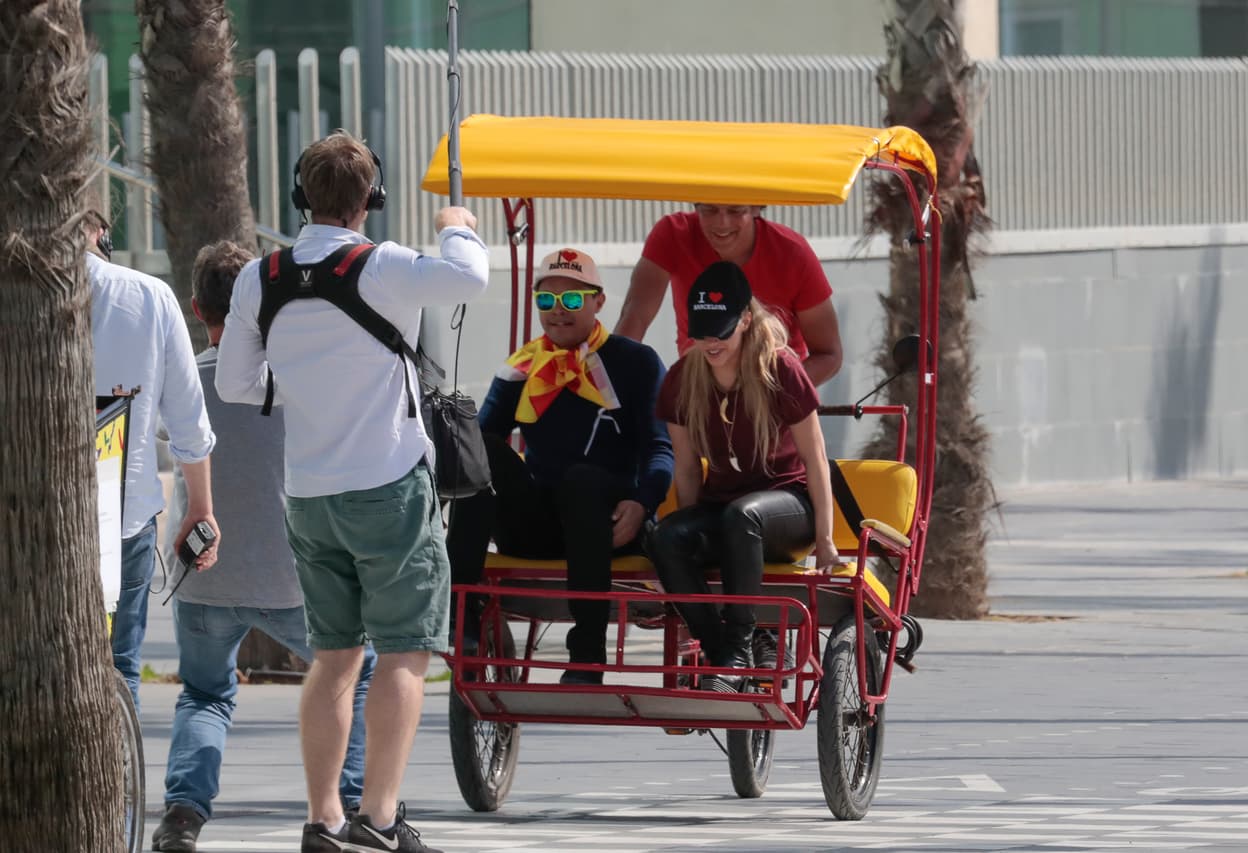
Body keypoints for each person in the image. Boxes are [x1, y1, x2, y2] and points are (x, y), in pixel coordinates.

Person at [216, 130, 488, 853]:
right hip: (389, 487)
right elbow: (470, 279)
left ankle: (324, 819)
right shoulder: (384, 265)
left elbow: (236, 383)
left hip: (309, 494)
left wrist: (305, 384)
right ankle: (382, 816)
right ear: (371, 198)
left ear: (300, 196)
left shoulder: (260, 277)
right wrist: (456, 226)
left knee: (334, 656)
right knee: (403, 651)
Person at [151, 242, 376, 853]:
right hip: (292, 574)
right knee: (354, 673)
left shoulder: (185, 380)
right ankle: (347, 804)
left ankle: (183, 816)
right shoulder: (295, 378)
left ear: (196, 307)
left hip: (203, 572)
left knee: (204, 694)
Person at [447, 248, 673, 684]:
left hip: (607, 525)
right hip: (540, 527)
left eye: (572, 300)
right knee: (480, 452)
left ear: (598, 302)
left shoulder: (636, 362)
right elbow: (478, 446)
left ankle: (586, 656)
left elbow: (659, 448)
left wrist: (643, 504)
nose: (557, 311)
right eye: (546, 300)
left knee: (581, 480)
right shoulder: (522, 366)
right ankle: (463, 617)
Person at [646, 261, 840, 693]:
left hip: (788, 508)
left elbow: (815, 459)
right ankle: (722, 654)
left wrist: (825, 540)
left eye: (721, 331)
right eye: (701, 333)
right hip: (725, 509)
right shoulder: (682, 378)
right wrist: (690, 538)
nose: (710, 343)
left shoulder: (780, 368)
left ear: (746, 320)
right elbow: (686, 467)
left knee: (742, 514)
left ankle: (740, 647)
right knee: (666, 536)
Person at [86, 206, 219, 711]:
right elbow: (189, 421)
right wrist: (200, 509)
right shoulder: (147, 295)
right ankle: (117, 761)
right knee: (118, 668)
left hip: (29, 517)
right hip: (120, 512)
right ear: (99, 232)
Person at [615, 203, 843, 385]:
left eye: (735, 211)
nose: (722, 223)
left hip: (776, 399)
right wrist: (615, 381)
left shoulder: (793, 253)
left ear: (756, 207)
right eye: (709, 210)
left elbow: (829, 354)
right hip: (699, 395)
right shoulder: (673, 234)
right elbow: (634, 319)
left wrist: (776, 395)